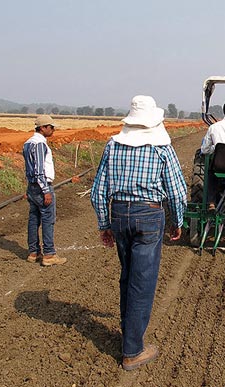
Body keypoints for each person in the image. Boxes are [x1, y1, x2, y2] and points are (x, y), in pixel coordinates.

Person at [91, 95, 187, 371]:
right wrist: (176, 222)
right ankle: (133, 350)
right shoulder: (161, 148)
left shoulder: (113, 145)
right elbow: (178, 193)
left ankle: (128, 338)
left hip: (120, 214)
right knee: (142, 283)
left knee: (127, 276)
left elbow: (98, 192)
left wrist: (104, 224)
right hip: (149, 215)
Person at [22, 114, 67, 267]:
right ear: (42, 128)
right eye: (51, 127)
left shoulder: (28, 143)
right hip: (42, 186)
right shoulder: (40, 144)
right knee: (48, 219)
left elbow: (29, 168)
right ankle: (49, 254)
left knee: (34, 219)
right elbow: (39, 170)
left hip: (32, 187)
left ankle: (33, 252)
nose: (53, 130)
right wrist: (46, 190)